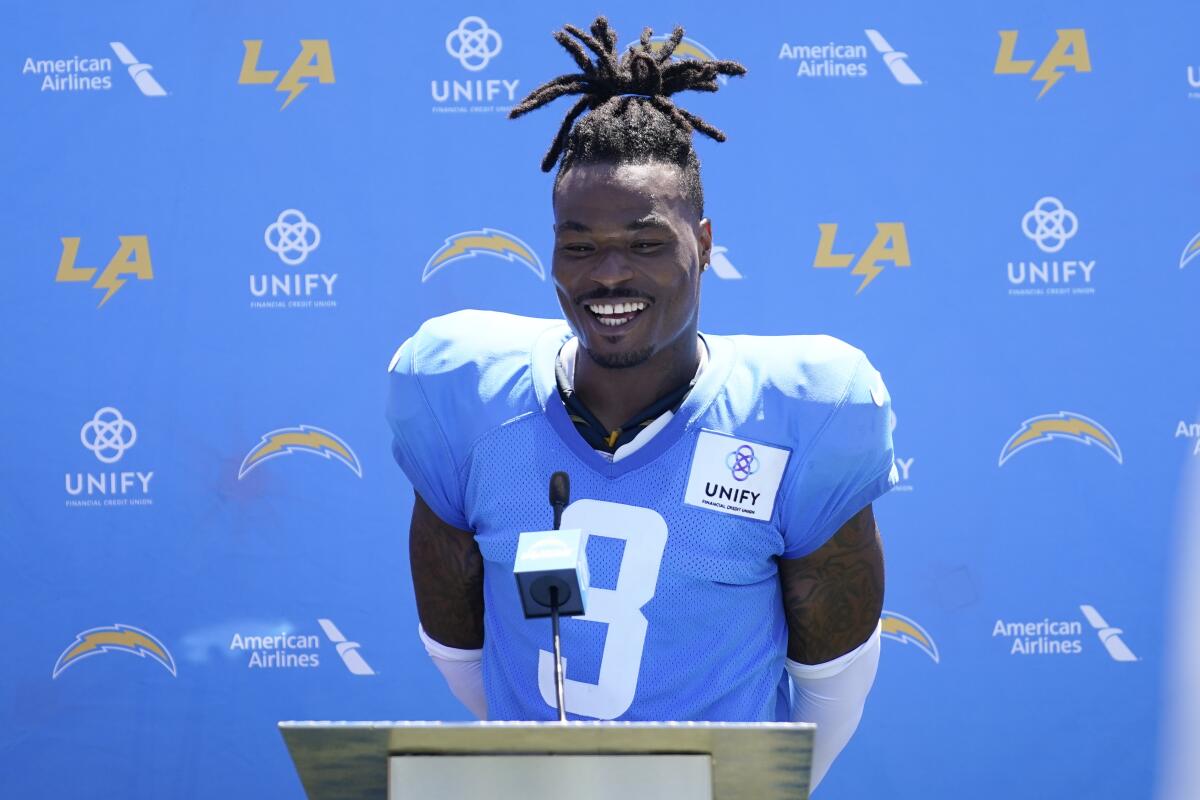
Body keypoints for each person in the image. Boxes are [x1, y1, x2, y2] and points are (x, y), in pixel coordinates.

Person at [386, 17, 896, 789]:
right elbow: (465, 658)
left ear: (706, 243)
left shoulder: (799, 415)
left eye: (647, 242)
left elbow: (832, 687)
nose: (608, 275)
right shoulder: (464, 393)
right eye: (579, 245)